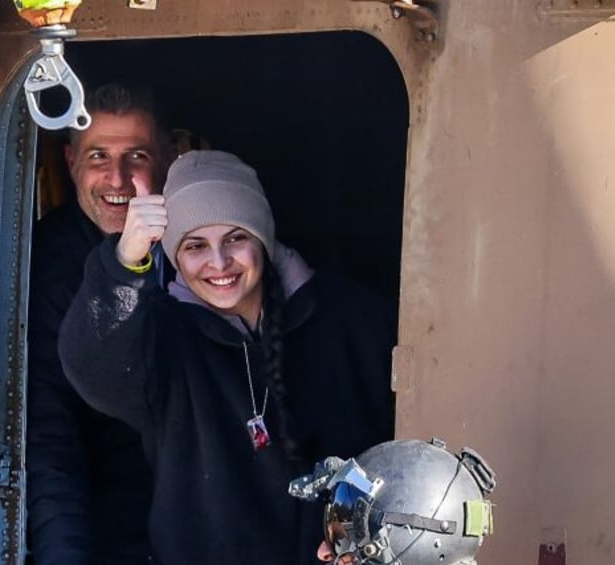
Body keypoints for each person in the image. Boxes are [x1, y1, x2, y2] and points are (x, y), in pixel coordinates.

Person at [59, 150, 396, 565]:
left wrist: (363, 538)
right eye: (195, 245)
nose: (218, 263)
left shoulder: (351, 318)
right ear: (175, 258)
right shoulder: (161, 334)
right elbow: (95, 370)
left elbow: (397, 445)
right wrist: (124, 261)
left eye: (235, 238)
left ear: (263, 238)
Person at [25, 83, 170, 565]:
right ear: (69, 162)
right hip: (101, 522)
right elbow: (50, 435)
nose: (118, 178)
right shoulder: (46, 261)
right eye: (98, 156)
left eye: (137, 156)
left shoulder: (201, 248)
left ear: (165, 160)